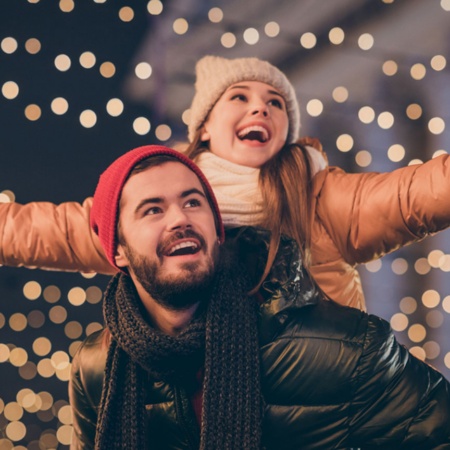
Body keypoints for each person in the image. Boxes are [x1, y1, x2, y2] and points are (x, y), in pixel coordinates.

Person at [69, 144, 450, 450]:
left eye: (192, 202)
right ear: (117, 250)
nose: (179, 219)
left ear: (217, 231)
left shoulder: (347, 348)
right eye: (153, 209)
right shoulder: (94, 369)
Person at [1, 55, 450, 310]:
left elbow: (416, 194)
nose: (261, 109)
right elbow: (51, 230)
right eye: (240, 97)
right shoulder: (152, 197)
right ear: (205, 128)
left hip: (315, 416)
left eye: (275, 104)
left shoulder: (318, 194)